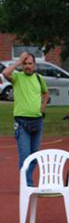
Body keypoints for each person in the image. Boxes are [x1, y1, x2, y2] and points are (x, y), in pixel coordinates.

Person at [2, 52, 49, 186]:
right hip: (22, 122)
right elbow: (5, 73)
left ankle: (27, 180)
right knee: (25, 154)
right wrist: (18, 62)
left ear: (34, 64)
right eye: (25, 64)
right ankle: (26, 183)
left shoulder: (39, 78)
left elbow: (46, 93)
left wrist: (43, 105)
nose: (27, 66)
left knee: (34, 156)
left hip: (37, 122)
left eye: (30, 63)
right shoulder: (17, 77)